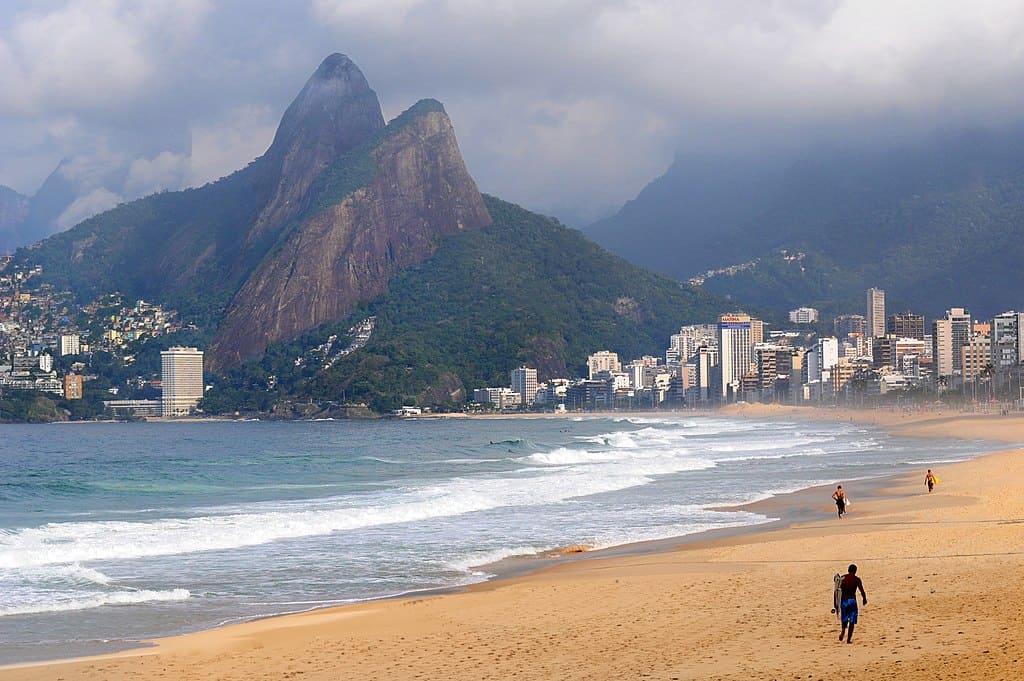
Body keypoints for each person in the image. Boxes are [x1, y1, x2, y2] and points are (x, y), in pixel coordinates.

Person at [838, 564, 867, 643]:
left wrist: (837, 603)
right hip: (852, 600)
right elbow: (861, 590)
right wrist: (864, 598)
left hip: (844, 600)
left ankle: (843, 630)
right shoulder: (857, 579)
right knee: (852, 620)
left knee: (844, 618)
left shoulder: (843, 578)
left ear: (848, 570)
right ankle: (848, 639)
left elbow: (838, 590)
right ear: (855, 571)